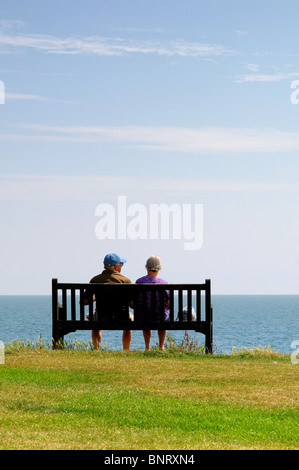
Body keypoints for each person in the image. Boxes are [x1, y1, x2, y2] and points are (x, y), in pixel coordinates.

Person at [84, 253, 132, 350]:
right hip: (121, 317)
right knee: (129, 319)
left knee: (93, 318)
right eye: (121, 264)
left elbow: (84, 301)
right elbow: (132, 304)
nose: (121, 266)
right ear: (116, 266)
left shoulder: (95, 280)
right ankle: (126, 350)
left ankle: (96, 349)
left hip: (101, 316)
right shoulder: (125, 280)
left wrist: (96, 297)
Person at [135, 255, 169, 350]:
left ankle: (147, 347)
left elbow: (135, 302)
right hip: (160, 316)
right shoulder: (164, 283)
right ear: (159, 268)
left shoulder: (139, 281)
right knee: (163, 317)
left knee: (146, 317)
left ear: (147, 267)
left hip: (143, 316)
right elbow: (169, 304)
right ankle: (161, 346)